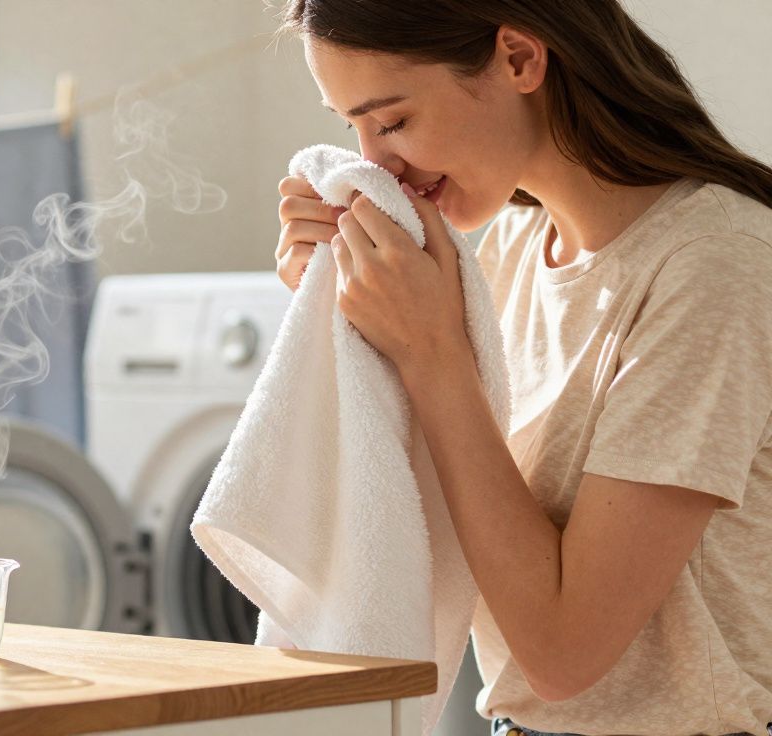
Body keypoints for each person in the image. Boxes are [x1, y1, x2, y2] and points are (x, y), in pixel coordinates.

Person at [272, 2, 772, 735]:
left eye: (393, 121)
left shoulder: (716, 265)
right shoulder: (506, 252)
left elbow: (566, 656)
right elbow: (433, 494)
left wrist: (432, 352)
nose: (374, 162)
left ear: (518, 59)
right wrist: (333, 309)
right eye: (355, 127)